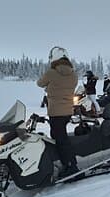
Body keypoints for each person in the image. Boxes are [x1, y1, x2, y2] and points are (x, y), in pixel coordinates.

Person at [37, 46, 79, 178]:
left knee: (61, 139)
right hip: (67, 111)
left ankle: (71, 166)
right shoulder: (74, 74)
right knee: (57, 136)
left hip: (55, 111)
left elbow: (40, 83)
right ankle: (62, 160)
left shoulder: (51, 72)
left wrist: (50, 86)